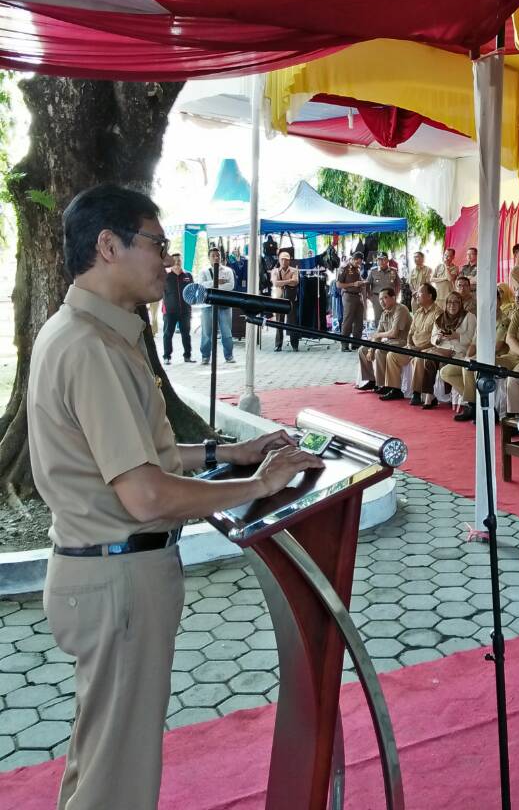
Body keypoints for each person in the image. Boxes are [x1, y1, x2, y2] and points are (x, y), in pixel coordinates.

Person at [27, 184, 323, 810]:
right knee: (119, 783)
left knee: (102, 759)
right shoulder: (89, 347)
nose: (167, 259)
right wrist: (261, 483)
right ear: (108, 246)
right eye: (157, 243)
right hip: (118, 579)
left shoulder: (89, 333)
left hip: (104, 574)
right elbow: (144, 493)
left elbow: (141, 458)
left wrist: (230, 455)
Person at [384, 282, 439, 405]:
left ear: (429, 296)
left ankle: (416, 393)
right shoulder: (418, 312)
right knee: (392, 355)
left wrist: (419, 349)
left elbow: (436, 340)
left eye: (420, 293)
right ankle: (395, 389)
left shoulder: (438, 313)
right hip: (412, 347)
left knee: (419, 359)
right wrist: (409, 345)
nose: (416, 295)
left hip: (427, 348)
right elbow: (410, 333)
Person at [357, 288, 411, 394]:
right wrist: (371, 348)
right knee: (363, 349)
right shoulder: (384, 313)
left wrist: (377, 336)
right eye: (380, 299)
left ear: (393, 298)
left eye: (385, 298)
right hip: (390, 342)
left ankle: (383, 384)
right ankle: (372, 380)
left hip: (402, 342)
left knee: (380, 351)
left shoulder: (401, 309)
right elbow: (378, 335)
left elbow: (393, 333)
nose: (382, 301)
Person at [432, 291, 477, 420]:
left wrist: (457, 336)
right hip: (444, 350)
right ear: (445, 304)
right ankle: (473, 402)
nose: (452, 305)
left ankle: (471, 404)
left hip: (463, 354)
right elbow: (433, 338)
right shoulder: (441, 318)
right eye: (449, 302)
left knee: (448, 370)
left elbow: (473, 338)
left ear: (461, 303)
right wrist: (439, 339)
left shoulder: (469, 317)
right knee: (441, 370)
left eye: (456, 302)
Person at [198, 246, 235, 364]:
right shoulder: (204, 271)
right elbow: (201, 286)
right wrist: (217, 282)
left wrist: (213, 286)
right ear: (209, 258)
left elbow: (230, 286)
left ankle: (229, 356)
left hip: (224, 305)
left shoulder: (228, 271)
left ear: (221, 257)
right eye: (213, 255)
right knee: (206, 332)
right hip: (208, 306)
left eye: (217, 255)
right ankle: (205, 356)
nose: (216, 257)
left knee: (227, 332)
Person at [162, 253, 194, 365]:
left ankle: (187, 356)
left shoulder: (188, 276)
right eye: (175, 260)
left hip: (185, 311)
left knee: (186, 334)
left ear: (181, 261)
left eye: (179, 260)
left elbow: (193, 292)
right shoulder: (165, 277)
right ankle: (167, 357)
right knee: (168, 334)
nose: (177, 262)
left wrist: (191, 306)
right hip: (170, 311)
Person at [270, 250, 300, 352]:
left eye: (286, 260)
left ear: (289, 261)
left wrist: (282, 282)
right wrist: (288, 281)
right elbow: (275, 283)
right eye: (282, 259)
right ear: (279, 260)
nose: (284, 261)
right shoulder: (275, 271)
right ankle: (278, 344)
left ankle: (294, 344)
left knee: (292, 322)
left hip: (290, 298)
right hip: (279, 298)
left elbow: (295, 282)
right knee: (279, 321)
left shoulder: (294, 270)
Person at [337, 251, 366, 350]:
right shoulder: (344, 268)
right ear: (353, 259)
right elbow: (339, 284)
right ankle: (344, 344)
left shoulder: (357, 269)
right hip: (348, 296)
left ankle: (356, 343)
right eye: (357, 262)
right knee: (348, 320)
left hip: (358, 296)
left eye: (360, 263)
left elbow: (358, 279)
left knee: (359, 321)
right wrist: (353, 284)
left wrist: (362, 282)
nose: (359, 264)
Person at [367, 251, 400, 325]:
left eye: (383, 259)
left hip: (390, 298)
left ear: (387, 260)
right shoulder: (373, 271)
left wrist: (396, 295)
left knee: (391, 318)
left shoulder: (393, 271)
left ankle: (389, 335)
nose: (381, 262)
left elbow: (398, 284)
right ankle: (379, 335)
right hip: (377, 298)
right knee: (378, 319)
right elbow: (367, 284)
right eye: (379, 260)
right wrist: (370, 296)